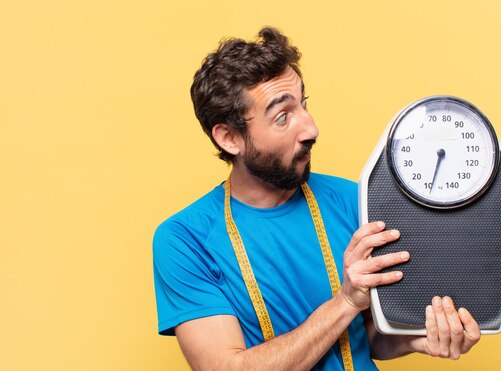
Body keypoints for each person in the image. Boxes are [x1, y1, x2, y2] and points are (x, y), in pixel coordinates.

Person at [152, 27, 481, 370]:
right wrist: (345, 301)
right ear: (229, 138)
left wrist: (420, 336)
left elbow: (365, 337)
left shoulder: (357, 200)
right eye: (283, 116)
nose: (310, 129)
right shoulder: (185, 240)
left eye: (303, 104)